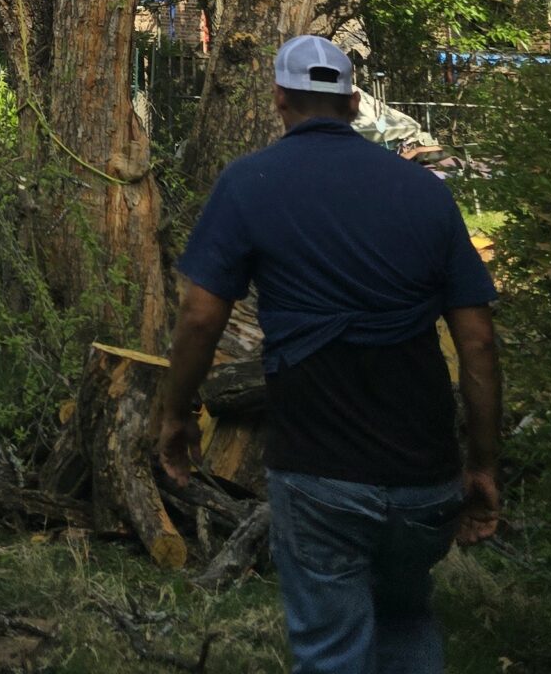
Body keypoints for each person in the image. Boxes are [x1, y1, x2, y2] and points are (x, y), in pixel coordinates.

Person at [157, 34, 501, 674]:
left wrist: (175, 415)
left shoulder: (249, 183)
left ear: (280, 97)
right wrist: (481, 464)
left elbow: (201, 316)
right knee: (406, 620)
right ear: (350, 101)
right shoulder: (425, 192)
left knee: (331, 650)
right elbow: (477, 342)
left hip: (319, 469)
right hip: (423, 472)